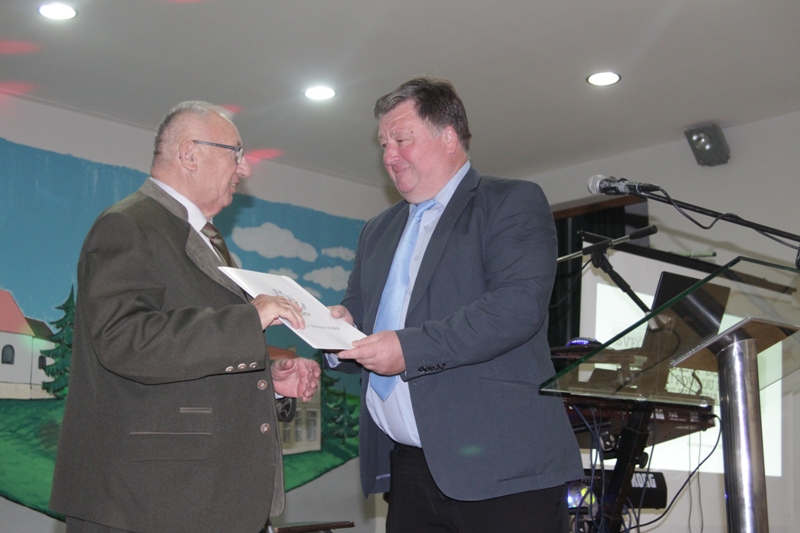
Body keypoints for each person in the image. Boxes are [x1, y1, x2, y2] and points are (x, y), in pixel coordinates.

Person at [50, 101, 321, 533]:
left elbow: (188, 361)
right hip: (143, 503)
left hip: (192, 499)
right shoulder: (128, 225)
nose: (246, 168)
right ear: (190, 154)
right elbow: (125, 340)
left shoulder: (204, 240)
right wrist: (247, 321)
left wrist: (267, 379)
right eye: (236, 152)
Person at [329, 78, 583, 533]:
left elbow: (515, 308)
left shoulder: (510, 201)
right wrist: (337, 331)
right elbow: (360, 314)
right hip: (409, 470)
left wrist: (408, 349)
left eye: (401, 139)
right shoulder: (377, 230)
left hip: (503, 466)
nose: (389, 156)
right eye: (384, 144)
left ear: (448, 137)